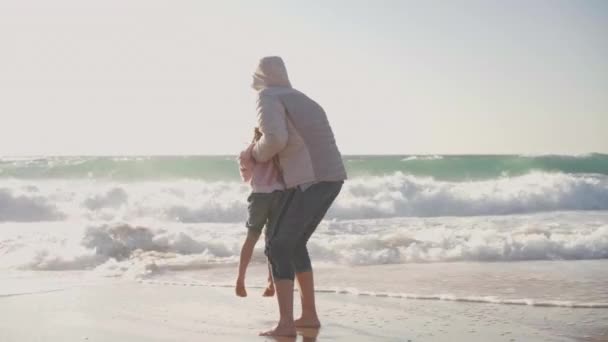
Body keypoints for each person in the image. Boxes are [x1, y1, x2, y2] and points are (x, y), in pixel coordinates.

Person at [250, 56, 347, 337]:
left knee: (278, 245)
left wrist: (256, 153)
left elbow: (276, 139)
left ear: (260, 77)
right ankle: (309, 316)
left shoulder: (268, 96)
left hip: (310, 180)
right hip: (332, 178)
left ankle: (286, 324)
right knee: (295, 244)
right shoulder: (305, 99)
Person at [235, 127, 284, 298]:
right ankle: (271, 281)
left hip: (260, 195)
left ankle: (240, 279)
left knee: (252, 237)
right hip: (279, 194)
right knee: (271, 240)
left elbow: (244, 162)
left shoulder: (254, 150)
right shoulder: (279, 147)